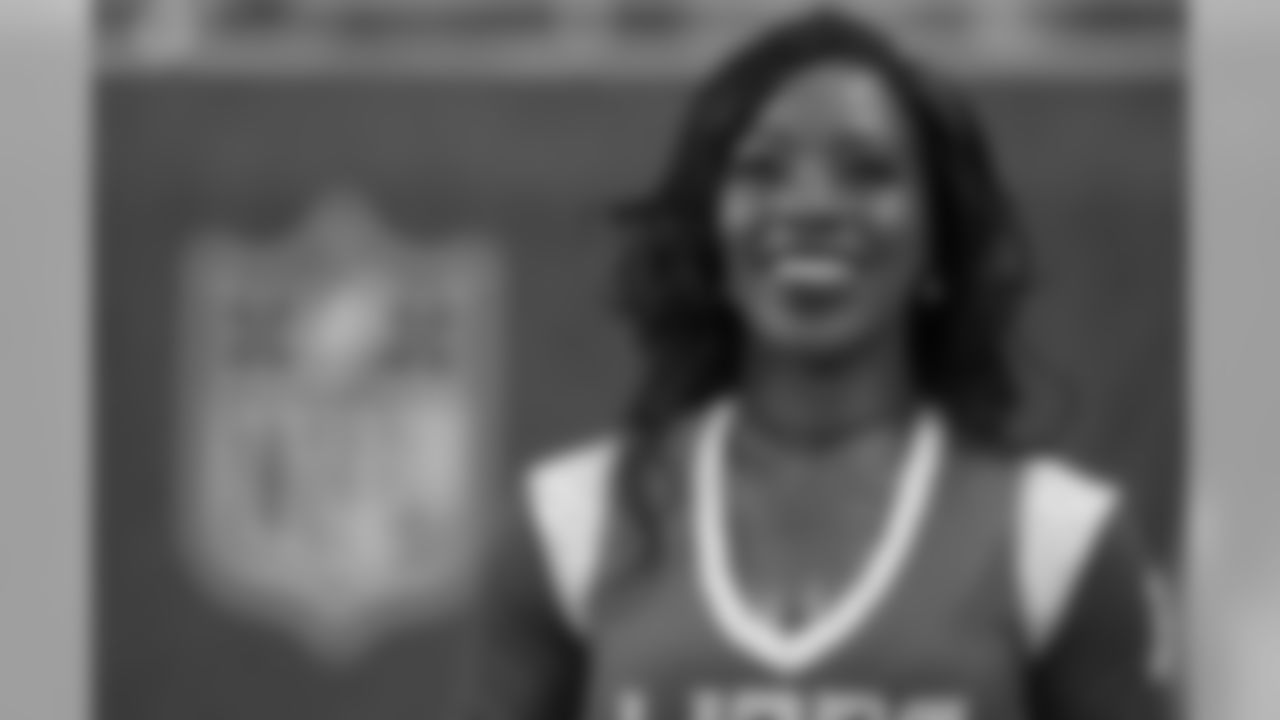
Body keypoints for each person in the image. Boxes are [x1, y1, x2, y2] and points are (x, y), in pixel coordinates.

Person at [475, 10, 1174, 720]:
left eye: (867, 173)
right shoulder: (571, 524)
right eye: (763, 170)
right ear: (711, 234)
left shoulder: (1056, 537)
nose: (811, 207)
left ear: (939, 244)